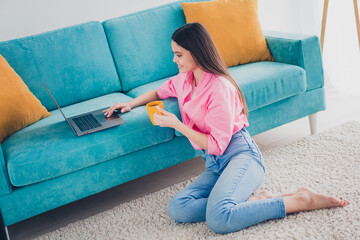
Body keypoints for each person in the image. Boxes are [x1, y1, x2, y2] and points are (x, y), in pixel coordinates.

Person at [103, 22, 349, 234]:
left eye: (178, 54)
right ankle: (251, 201)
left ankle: (301, 200)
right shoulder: (183, 81)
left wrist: (177, 124)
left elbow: (217, 144)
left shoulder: (220, 88)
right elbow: (159, 91)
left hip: (241, 156)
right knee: (178, 207)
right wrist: (129, 104)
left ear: (196, 53)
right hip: (215, 164)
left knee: (219, 219)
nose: (173, 60)